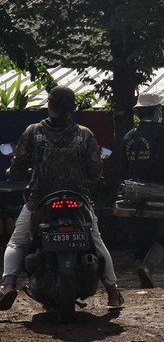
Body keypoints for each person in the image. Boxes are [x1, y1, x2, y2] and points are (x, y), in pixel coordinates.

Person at [0, 86, 123, 310]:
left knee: (17, 242)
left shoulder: (33, 131)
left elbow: (18, 166)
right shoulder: (84, 134)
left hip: (40, 200)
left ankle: (8, 285)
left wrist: (14, 173)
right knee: (96, 241)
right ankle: (113, 293)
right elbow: (95, 172)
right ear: (73, 107)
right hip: (78, 200)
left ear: (49, 105)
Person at [121, 92, 164, 288]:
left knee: (139, 237)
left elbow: (122, 168)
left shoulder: (129, 136)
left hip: (131, 192)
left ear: (138, 112)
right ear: (158, 110)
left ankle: (142, 270)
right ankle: (147, 268)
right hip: (157, 193)